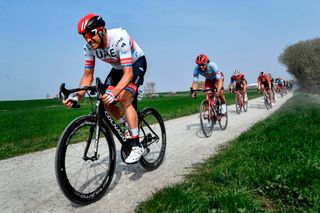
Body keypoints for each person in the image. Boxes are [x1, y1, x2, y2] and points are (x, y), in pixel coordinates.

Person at [63, 13, 147, 163]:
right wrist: (77, 95)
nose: (88, 39)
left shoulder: (120, 37)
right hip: (117, 67)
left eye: (91, 34)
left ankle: (136, 145)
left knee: (124, 98)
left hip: (135, 64)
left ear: (101, 30)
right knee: (104, 100)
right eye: (84, 36)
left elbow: (128, 74)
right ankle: (126, 123)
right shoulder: (89, 47)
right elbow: (88, 75)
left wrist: (115, 92)